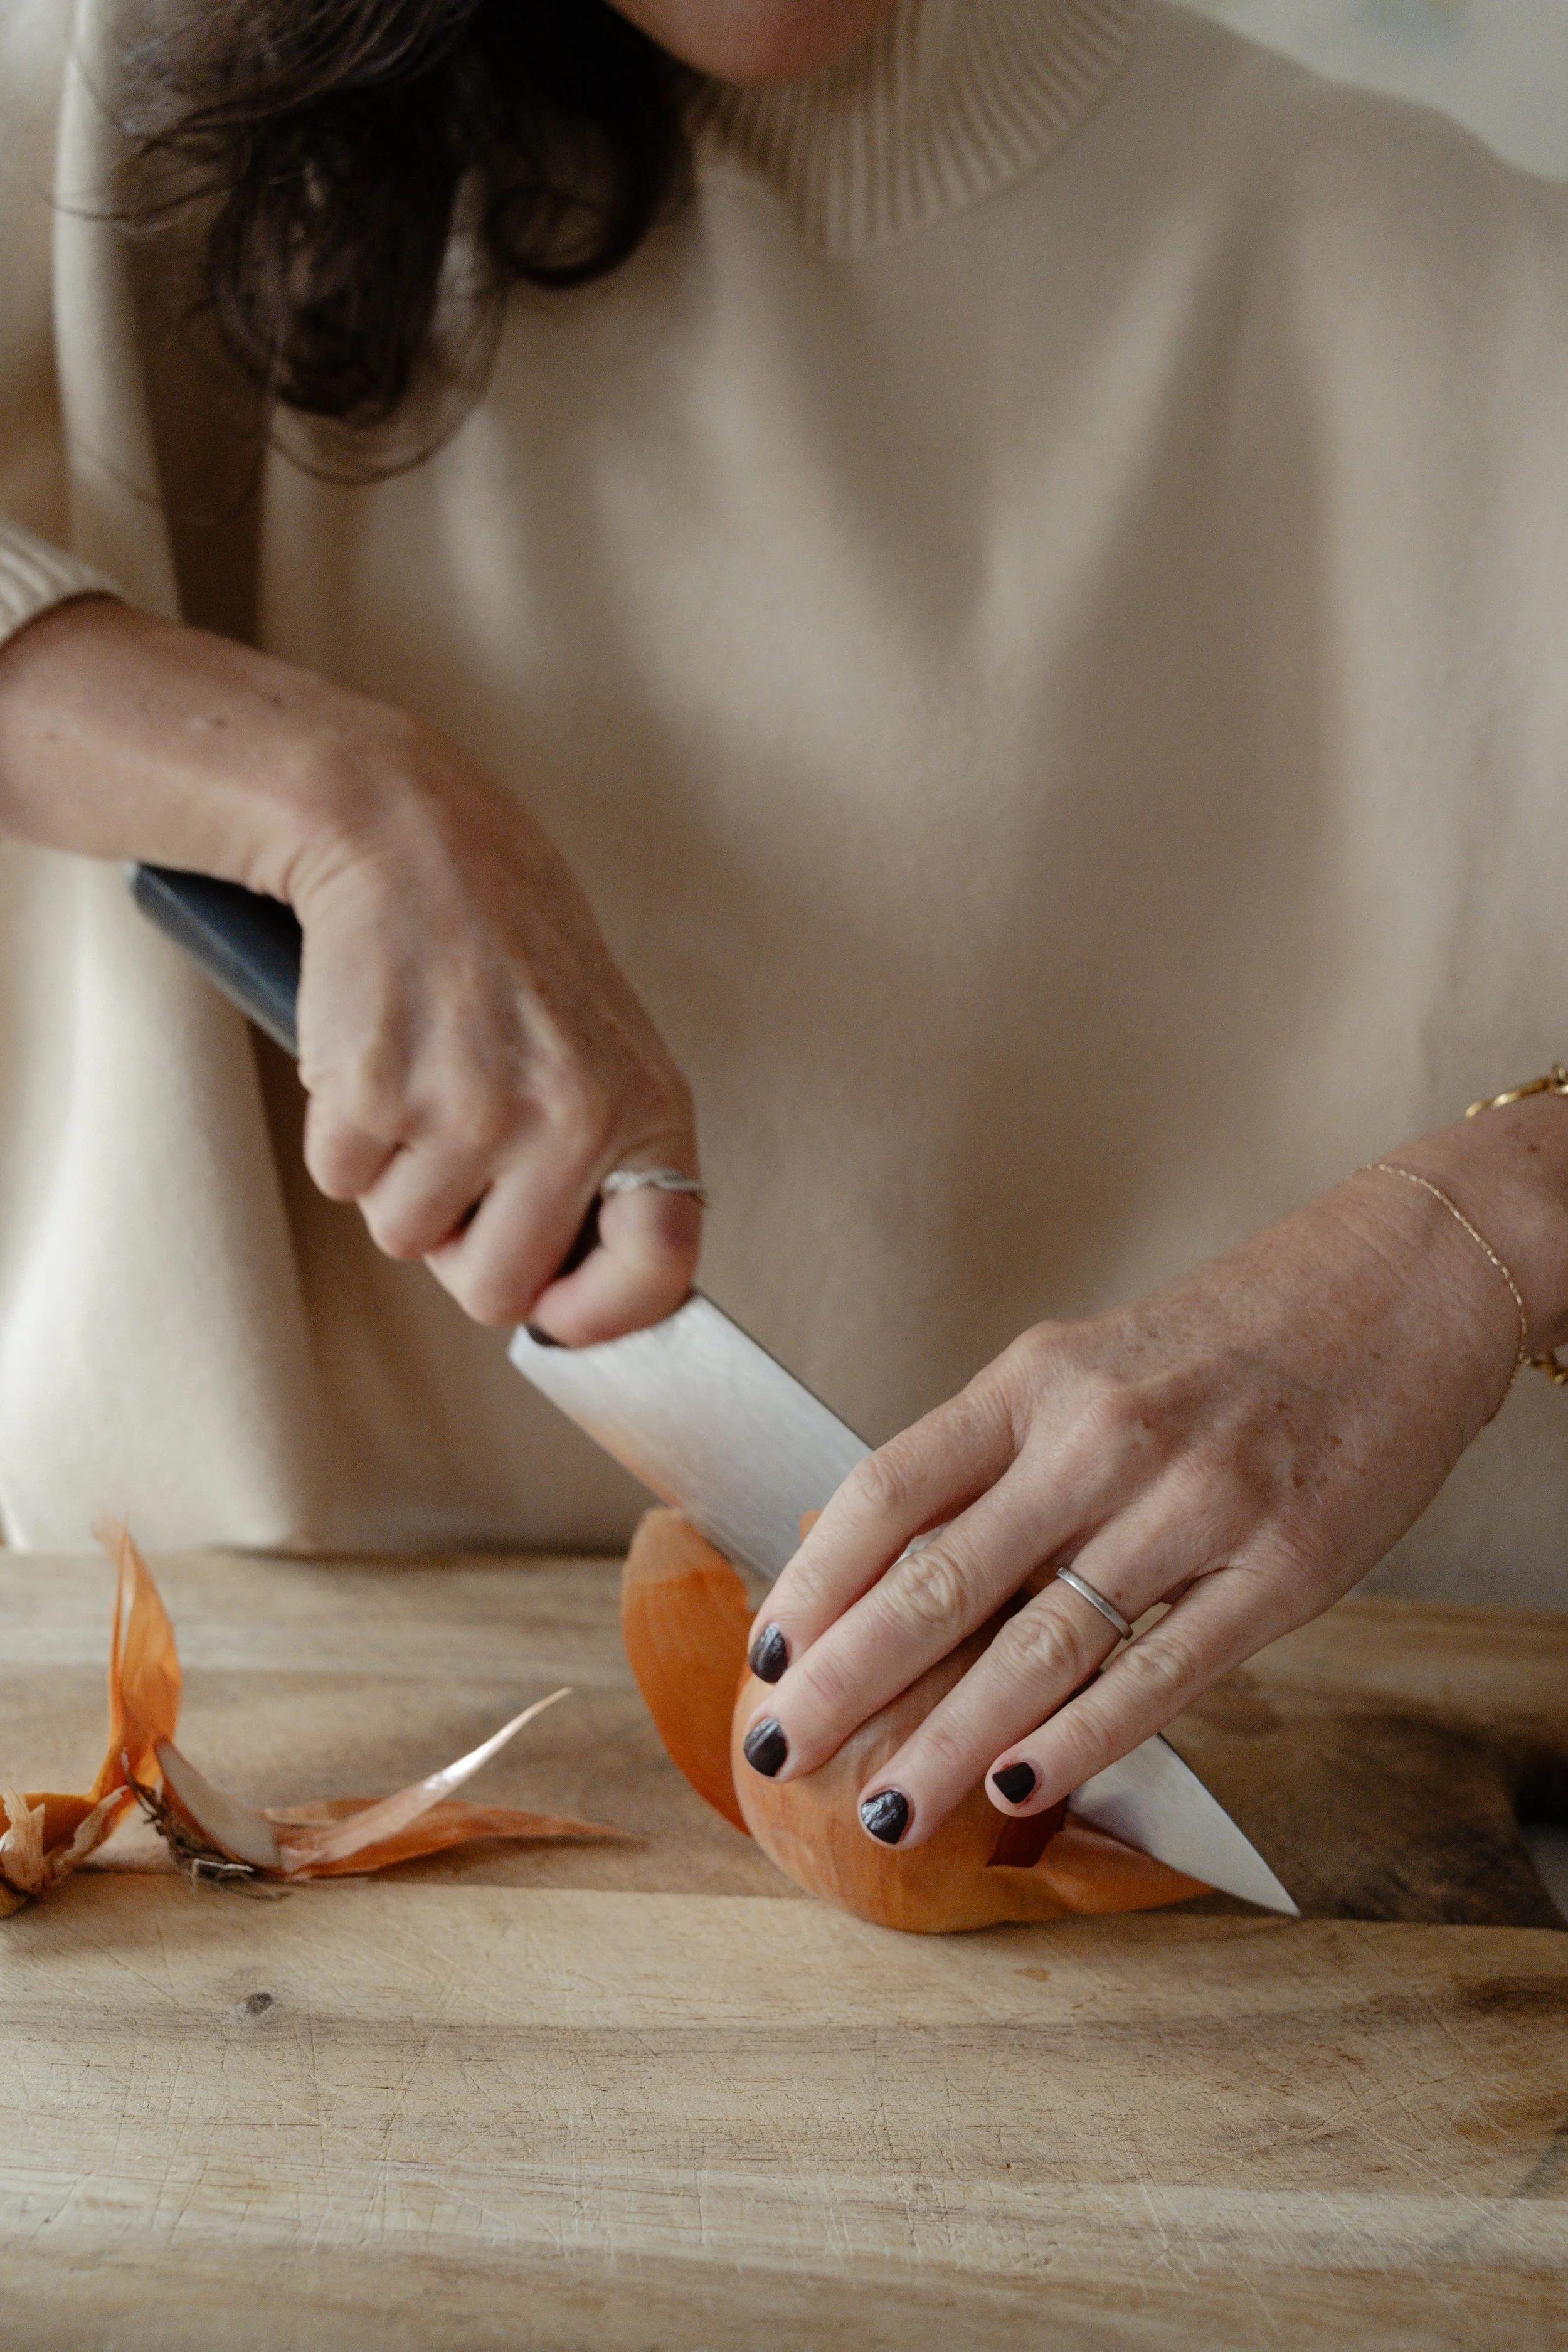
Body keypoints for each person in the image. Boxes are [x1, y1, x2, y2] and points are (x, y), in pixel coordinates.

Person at [2, 0, 1567, 1857]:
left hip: (1389, 1839)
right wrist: (321, 790)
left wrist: (1502, 1220)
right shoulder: (122, 120)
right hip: (226, 1853)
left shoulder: (1479, 296)